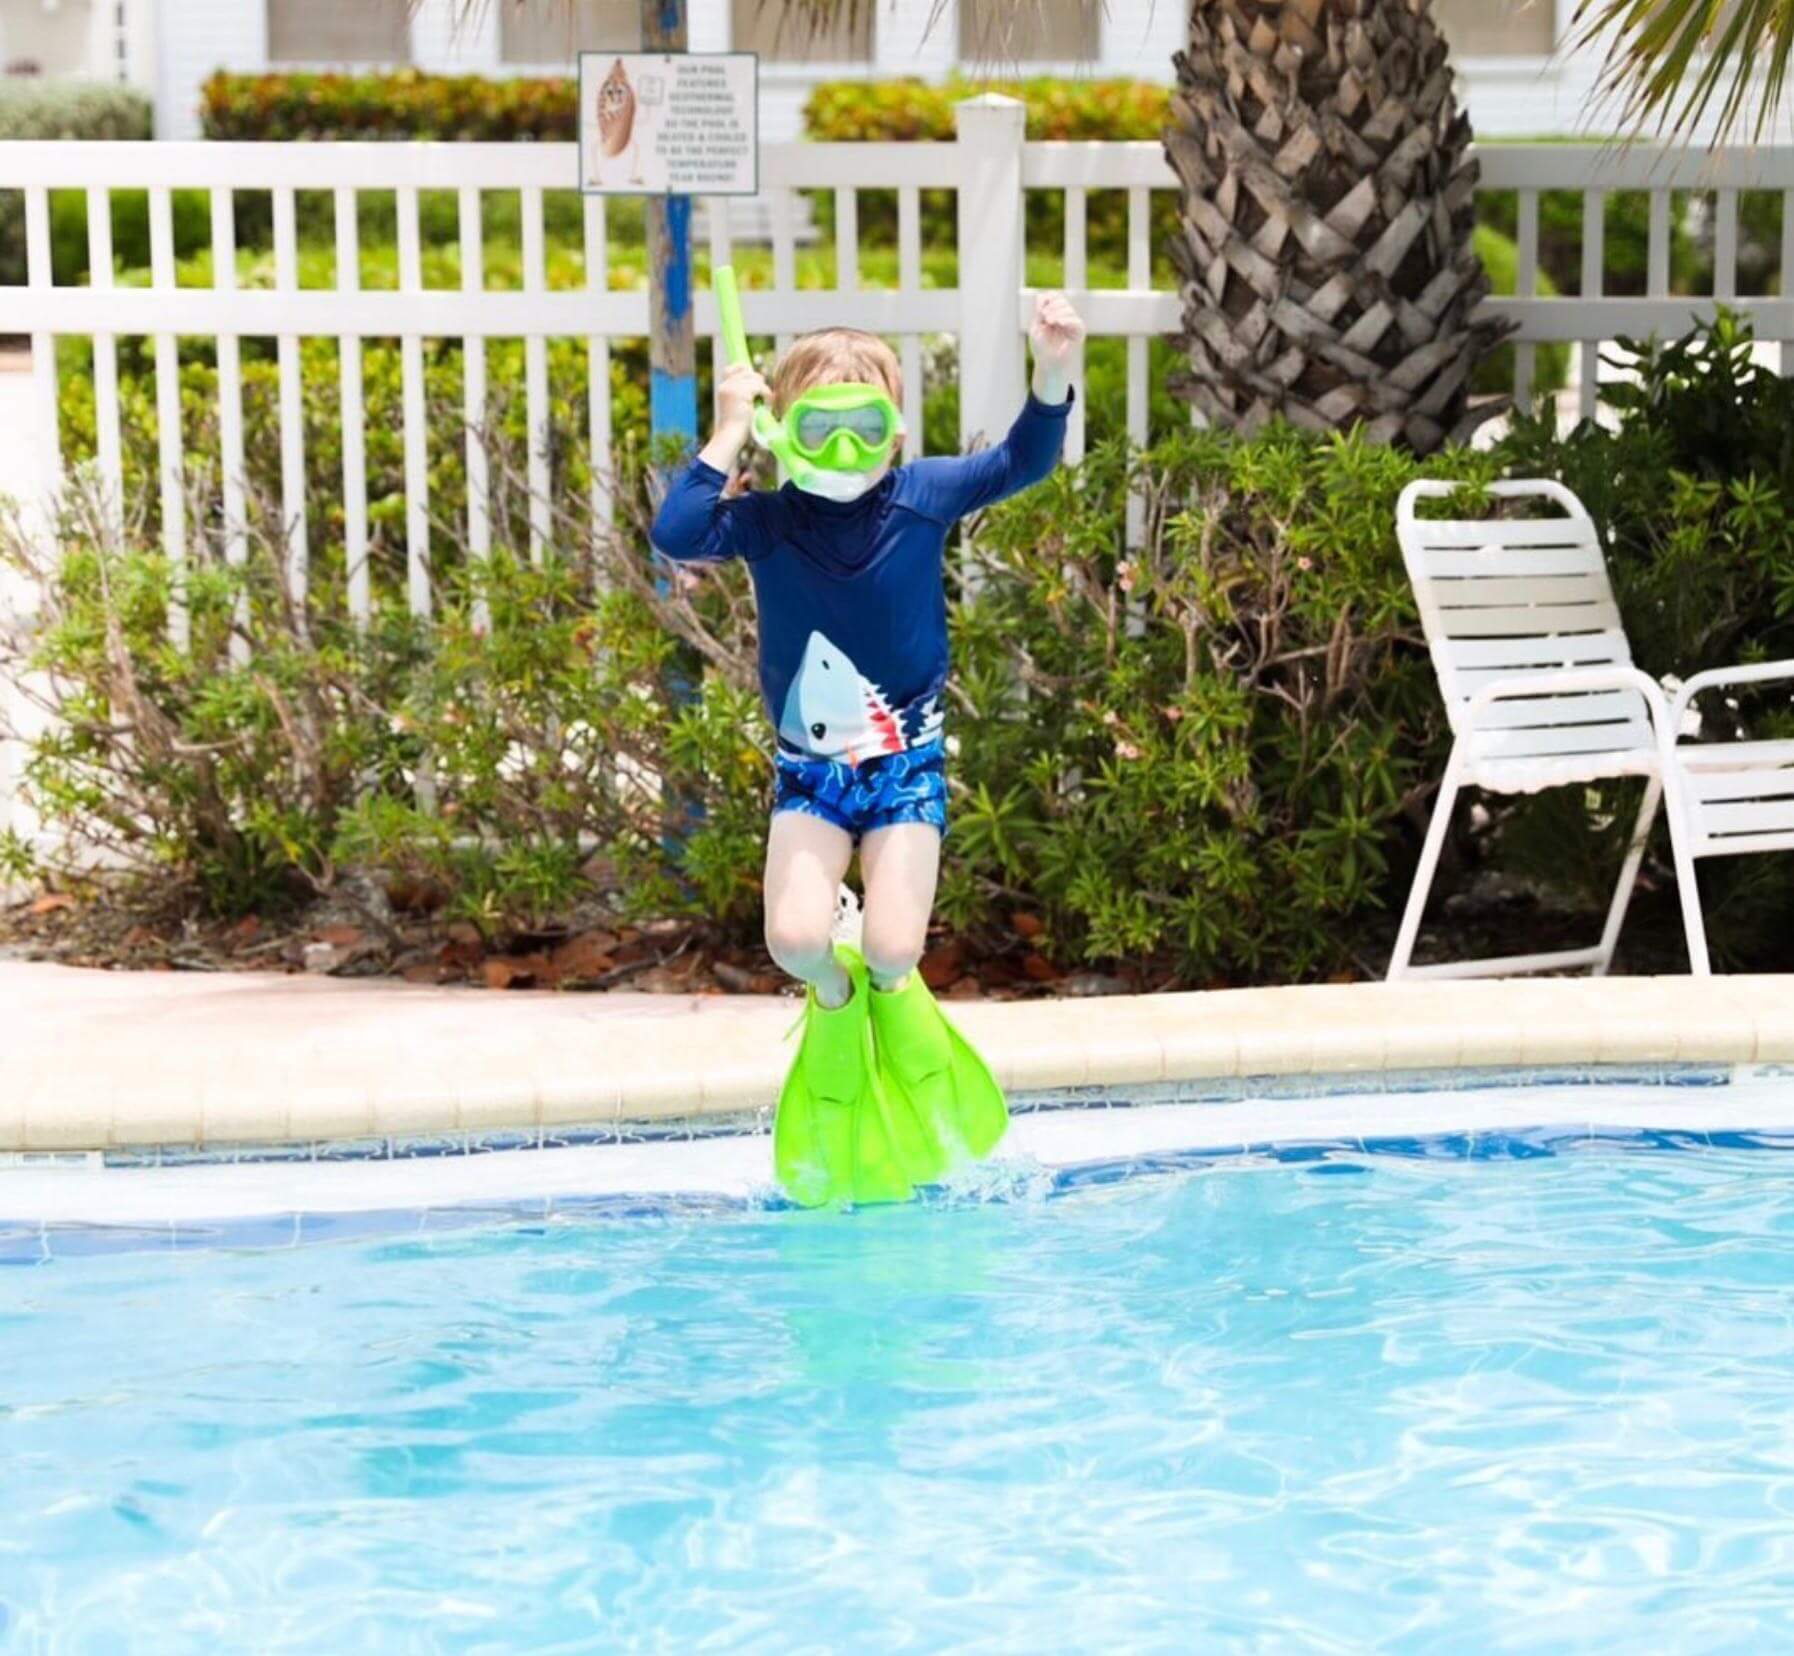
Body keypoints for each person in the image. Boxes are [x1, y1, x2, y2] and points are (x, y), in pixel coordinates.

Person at [650, 292, 1085, 1206]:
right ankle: (835, 1006)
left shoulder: (922, 495)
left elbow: (1023, 460)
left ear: (894, 432)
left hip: (907, 769)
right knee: (798, 942)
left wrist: (1052, 368)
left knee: (892, 948)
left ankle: (887, 1003)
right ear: (784, 428)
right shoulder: (769, 519)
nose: (847, 451)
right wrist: (729, 433)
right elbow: (679, 532)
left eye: (867, 429)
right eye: (822, 429)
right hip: (809, 774)